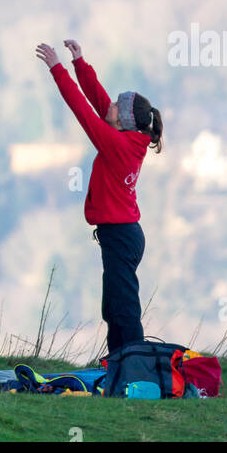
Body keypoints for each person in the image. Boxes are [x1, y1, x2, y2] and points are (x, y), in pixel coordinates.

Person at [35, 38, 163, 356]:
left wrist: (57, 69)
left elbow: (83, 109)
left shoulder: (117, 145)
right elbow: (99, 102)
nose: (111, 107)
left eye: (118, 107)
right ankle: (117, 366)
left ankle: (135, 368)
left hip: (120, 237)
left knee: (124, 312)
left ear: (124, 121)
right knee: (113, 308)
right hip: (121, 235)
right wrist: (80, 64)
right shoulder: (128, 136)